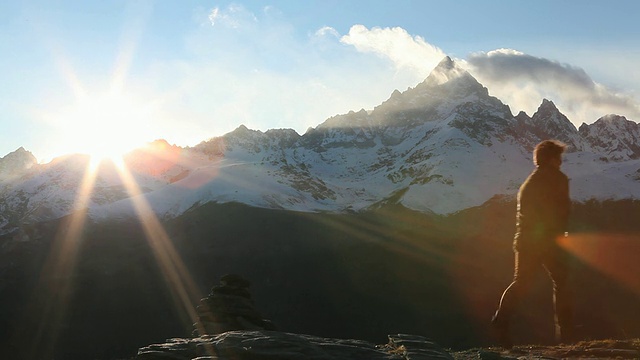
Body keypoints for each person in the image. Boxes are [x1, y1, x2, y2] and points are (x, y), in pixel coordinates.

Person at [492, 139, 574, 348]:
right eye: (558, 157)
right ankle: (566, 334)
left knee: (521, 282)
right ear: (551, 158)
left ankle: (501, 321)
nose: (561, 161)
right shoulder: (558, 178)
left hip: (525, 240)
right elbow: (562, 211)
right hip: (547, 240)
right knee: (562, 281)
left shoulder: (529, 182)